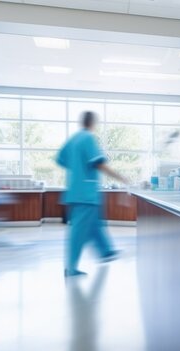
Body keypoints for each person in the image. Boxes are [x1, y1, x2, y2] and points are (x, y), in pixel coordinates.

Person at [56, 111, 128, 277]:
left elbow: (60, 159)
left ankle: (106, 251)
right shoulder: (88, 138)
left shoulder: (73, 139)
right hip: (85, 193)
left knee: (95, 224)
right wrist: (121, 177)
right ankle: (71, 268)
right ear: (93, 123)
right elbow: (99, 164)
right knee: (79, 232)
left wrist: (77, 169)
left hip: (77, 190)